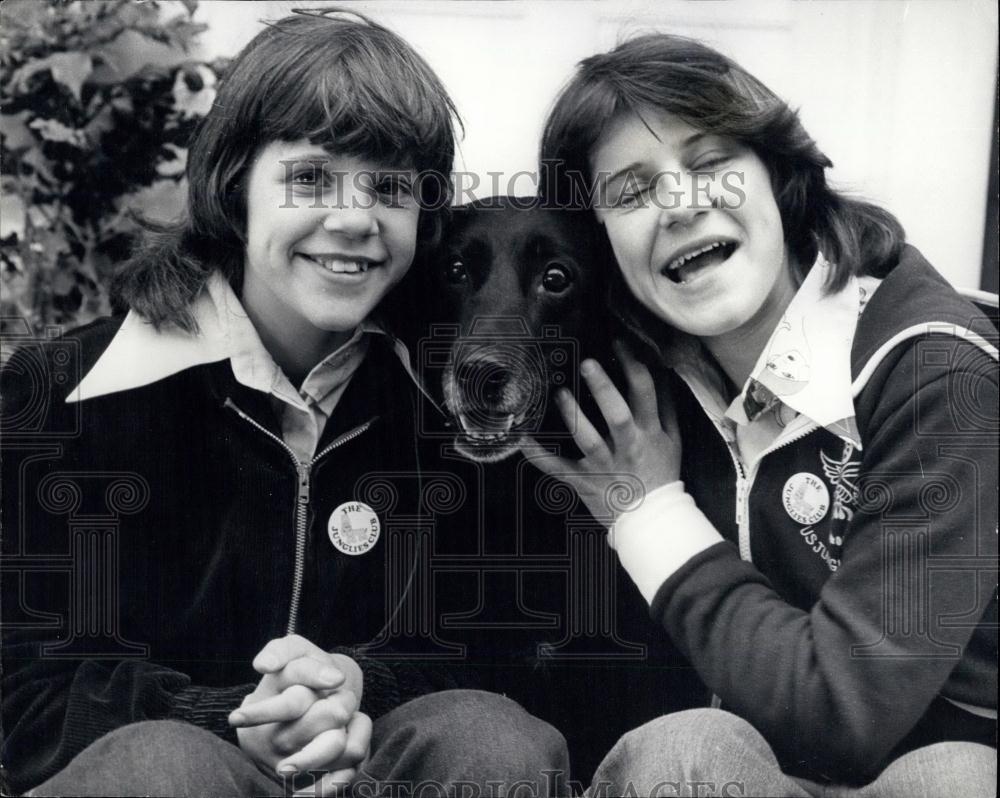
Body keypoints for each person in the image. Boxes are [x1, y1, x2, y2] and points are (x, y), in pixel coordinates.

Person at [0, 10, 569, 797]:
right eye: (311, 177)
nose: (354, 219)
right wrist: (232, 719)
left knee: (494, 742)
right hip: (164, 769)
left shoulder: (445, 400)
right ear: (235, 185)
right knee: (163, 767)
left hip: (366, 764)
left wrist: (353, 685)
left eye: (390, 187)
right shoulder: (65, 393)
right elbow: (27, 692)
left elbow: (481, 640)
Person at [527, 33, 998, 796]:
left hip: (931, 763)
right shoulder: (631, 378)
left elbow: (844, 713)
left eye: (712, 163)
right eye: (632, 191)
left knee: (953, 780)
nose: (680, 205)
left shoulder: (938, 367)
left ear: (779, 176)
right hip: (742, 772)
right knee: (682, 754)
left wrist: (649, 512)